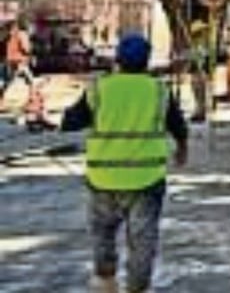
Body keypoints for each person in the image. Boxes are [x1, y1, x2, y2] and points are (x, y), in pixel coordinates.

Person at [61, 33, 189, 293]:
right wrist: (182, 149)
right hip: (146, 180)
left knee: (103, 235)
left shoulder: (100, 88)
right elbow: (177, 124)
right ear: (146, 62)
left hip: (103, 180)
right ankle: (137, 288)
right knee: (143, 240)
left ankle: (105, 282)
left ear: (117, 60)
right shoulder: (158, 90)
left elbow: (70, 122)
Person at [1, 17, 34, 101]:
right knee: (30, 81)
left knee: (8, 82)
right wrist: (29, 55)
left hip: (10, 61)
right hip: (19, 62)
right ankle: (32, 99)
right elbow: (26, 48)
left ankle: (1, 97)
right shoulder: (21, 35)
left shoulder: (7, 36)